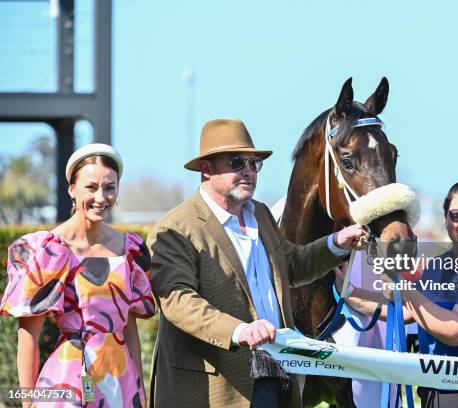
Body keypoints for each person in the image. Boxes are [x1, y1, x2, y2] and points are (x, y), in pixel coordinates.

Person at [147, 118, 365, 408]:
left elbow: (290, 266)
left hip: (273, 377)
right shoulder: (175, 227)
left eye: (254, 164)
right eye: (238, 162)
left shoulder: (260, 214)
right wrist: (239, 331)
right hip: (214, 390)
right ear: (206, 169)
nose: (249, 171)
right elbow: (177, 301)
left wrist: (335, 244)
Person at [0, 143, 155, 408]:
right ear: (72, 189)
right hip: (65, 384)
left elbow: (128, 329)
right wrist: (27, 403)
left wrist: (139, 392)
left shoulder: (128, 249)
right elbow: (28, 337)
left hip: (119, 382)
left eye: (109, 187)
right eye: (91, 187)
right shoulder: (50, 250)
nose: (101, 197)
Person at [342, 181, 458, 407]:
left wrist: (397, 279)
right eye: (457, 214)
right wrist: (347, 292)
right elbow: (409, 311)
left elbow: (455, 330)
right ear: (446, 219)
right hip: (434, 392)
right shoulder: (438, 265)